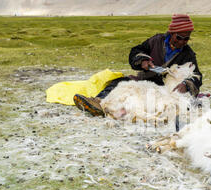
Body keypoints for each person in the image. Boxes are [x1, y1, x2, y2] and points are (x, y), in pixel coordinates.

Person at [73, 14, 203, 116]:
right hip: (144, 79)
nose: (182, 42)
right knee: (119, 83)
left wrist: (185, 85)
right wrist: (143, 60)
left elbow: (197, 75)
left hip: (164, 88)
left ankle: (118, 111)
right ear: (172, 33)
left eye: (186, 38)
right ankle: (98, 102)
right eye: (179, 37)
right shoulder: (156, 41)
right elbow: (136, 51)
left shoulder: (188, 54)